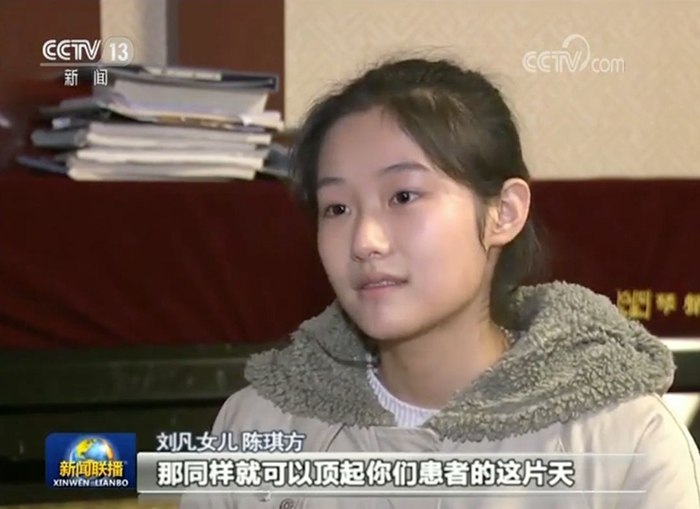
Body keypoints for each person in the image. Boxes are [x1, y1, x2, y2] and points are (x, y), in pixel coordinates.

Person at [181, 57, 700, 508]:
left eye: (403, 197)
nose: (365, 240)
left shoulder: (627, 442)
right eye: (336, 207)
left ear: (503, 213)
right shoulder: (258, 426)